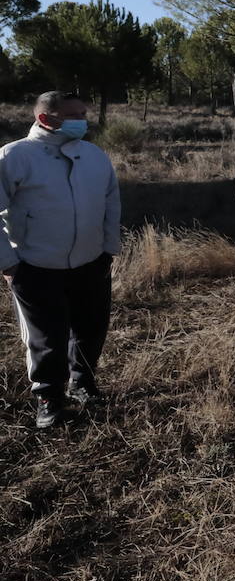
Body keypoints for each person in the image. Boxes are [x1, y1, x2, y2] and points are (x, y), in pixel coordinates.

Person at [0, 92, 120, 429]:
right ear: (45, 118)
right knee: (46, 338)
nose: (84, 120)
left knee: (91, 328)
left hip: (91, 261)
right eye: (74, 115)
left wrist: (108, 249)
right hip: (35, 265)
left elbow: (111, 201)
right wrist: (8, 263)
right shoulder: (15, 156)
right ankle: (49, 400)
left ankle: (82, 383)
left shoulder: (93, 156)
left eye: (84, 113)